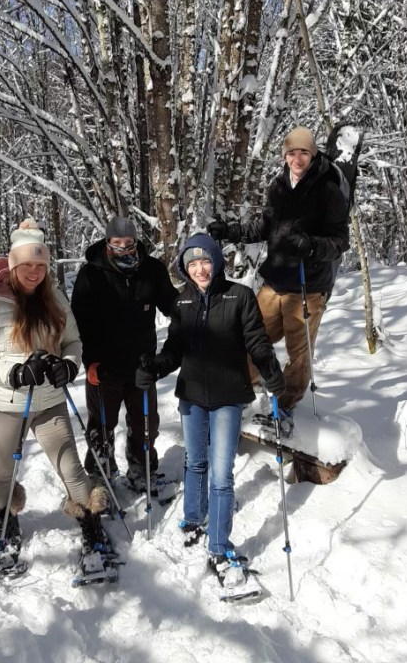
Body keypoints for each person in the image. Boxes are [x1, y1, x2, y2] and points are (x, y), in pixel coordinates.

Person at [135, 233, 285, 588]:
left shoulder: (239, 296)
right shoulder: (183, 302)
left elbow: (256, 341)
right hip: (192, 396)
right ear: (185, 268)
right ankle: (192, 517)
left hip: (229, 397)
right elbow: (174, 349)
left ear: (216, 261)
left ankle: (219, 545)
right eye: (192, 264)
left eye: (205, 261)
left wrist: (271, 371)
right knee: (195, 461)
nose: (200, 269)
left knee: (221, 474)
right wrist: (153, 367)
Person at [0, 218, 108, 571]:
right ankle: (6, 523)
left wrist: (69, 366)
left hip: (49, 401)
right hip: (4, 405)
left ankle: (92, 526)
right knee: (4, 474)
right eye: (26, 264)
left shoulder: (55, 297)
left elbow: (73, 342)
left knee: (72, 469)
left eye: (40, 265)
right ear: (13, 264)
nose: (33, 272)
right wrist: (13, 372)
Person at [207, 126, 349, 433]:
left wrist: (311, 245)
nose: (297, 159)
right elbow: (264, 226)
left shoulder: (328, 191)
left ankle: (284, 408)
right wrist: (231, 231)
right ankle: (242, 391)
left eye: (303, 152)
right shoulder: (279, 186)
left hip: (307, 285)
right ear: (284, 156)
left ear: (312, 154)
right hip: (274, 281)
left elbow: (340, 241)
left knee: (299, 353)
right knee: (252, 336)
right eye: (291, 153)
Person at [70, 216, 177, 493]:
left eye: (128, 243)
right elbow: (78, 323)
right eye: (116, 243)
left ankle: (142, 470)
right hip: (103, 366)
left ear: (136, 242)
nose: (123, 249)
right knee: (101, 426)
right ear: (107, 242)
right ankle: (100, 474)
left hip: (142, 364)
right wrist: (89, 362)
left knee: (146, 424)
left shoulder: (151, 269)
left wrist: (196, 312)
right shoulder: (91, 274)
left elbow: (173, 306)